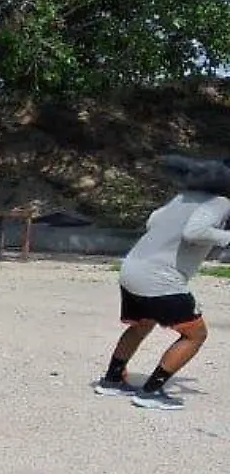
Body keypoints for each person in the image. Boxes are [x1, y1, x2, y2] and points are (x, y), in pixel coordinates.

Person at [94, 155, 230, 411]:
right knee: (195, 334)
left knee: (142, 324)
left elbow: (153, 221)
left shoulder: (183, 197)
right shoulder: (221, 202)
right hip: (160, 278)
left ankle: (112, 380)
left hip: (132, 268)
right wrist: (225, 237)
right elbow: (194, 232)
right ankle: (151, 391)